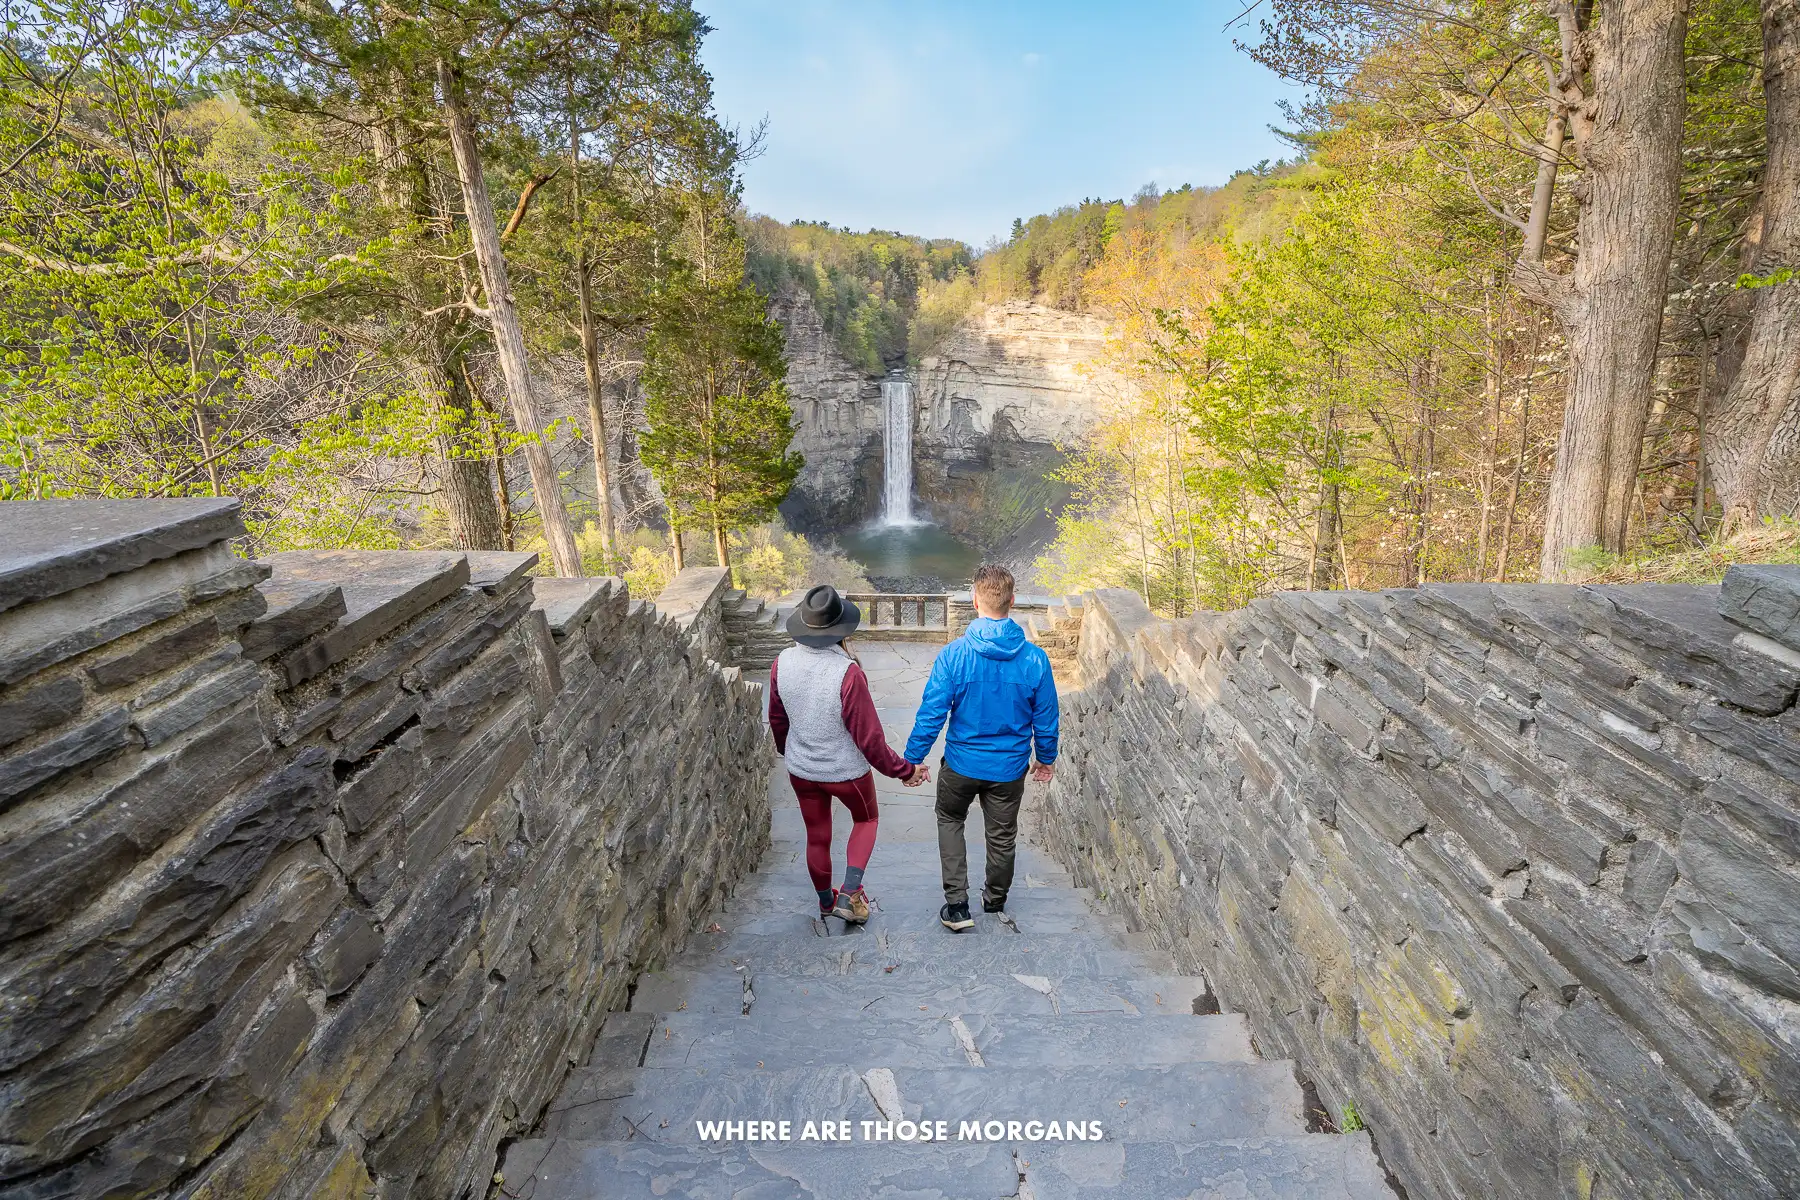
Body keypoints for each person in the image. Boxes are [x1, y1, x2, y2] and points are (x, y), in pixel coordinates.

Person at [903, 565, 1058, 932]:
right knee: (1002, 833)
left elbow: (932, 714)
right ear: (1012, 601)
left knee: (950, 820)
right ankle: (995, 899)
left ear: (975, 602)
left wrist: (912, 760)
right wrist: (1046, 758)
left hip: (961, 763)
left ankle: (957, 905)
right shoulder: (1035, 659)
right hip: (1009, 768)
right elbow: (1047, 718)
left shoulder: (954, 655)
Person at [768, 584, 925, 923]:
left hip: (803, 771)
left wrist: (792, 753)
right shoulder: (847, 673)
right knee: (866, 819)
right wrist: (905, 770)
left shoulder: (782, 663)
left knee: (817, 835)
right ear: (840, 630)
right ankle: (850, 893)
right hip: (845, 773)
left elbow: (777, 719)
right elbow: (869, 740)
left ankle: (826, 903)